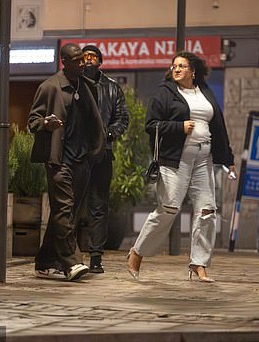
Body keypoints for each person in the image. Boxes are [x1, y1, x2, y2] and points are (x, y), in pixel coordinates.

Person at [126, 51, 236, 283]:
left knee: (207, 211)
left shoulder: (205, 92)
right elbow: (151, 125)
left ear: (193, 71)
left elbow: (218, 126)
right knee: (169, 209)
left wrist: (228, 158)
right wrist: (178, 127)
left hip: (203, 158)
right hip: (175, 160)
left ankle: (199, 263)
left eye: (182, 66)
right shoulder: (164, 93)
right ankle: (137, 253)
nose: (176, 69)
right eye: (174, 66)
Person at [28, 43, 105, 282]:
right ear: (65, 62)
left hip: (82, 161)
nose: (83, 63)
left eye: (83, 59)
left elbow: (95, 122)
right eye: (77, 60)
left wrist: (95, 153)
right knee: (63, 209)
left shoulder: (88, 87)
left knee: (67, 213)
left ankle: (44, 262)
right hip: (59, 160)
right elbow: (32, 121)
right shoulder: (49, 87)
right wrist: (45, 124)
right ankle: (72, 263)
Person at [77, 45, 129, 273]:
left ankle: (96, 257)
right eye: (85, 57)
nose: (88, 61)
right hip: (76, 154)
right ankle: (70, 255)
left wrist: (108, 134)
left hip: (102, 153)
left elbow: (122, 118)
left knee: (99, 206)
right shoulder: (73, 84)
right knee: (73, 205)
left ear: (100, 61)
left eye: (93, 57)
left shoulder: (112, 88)